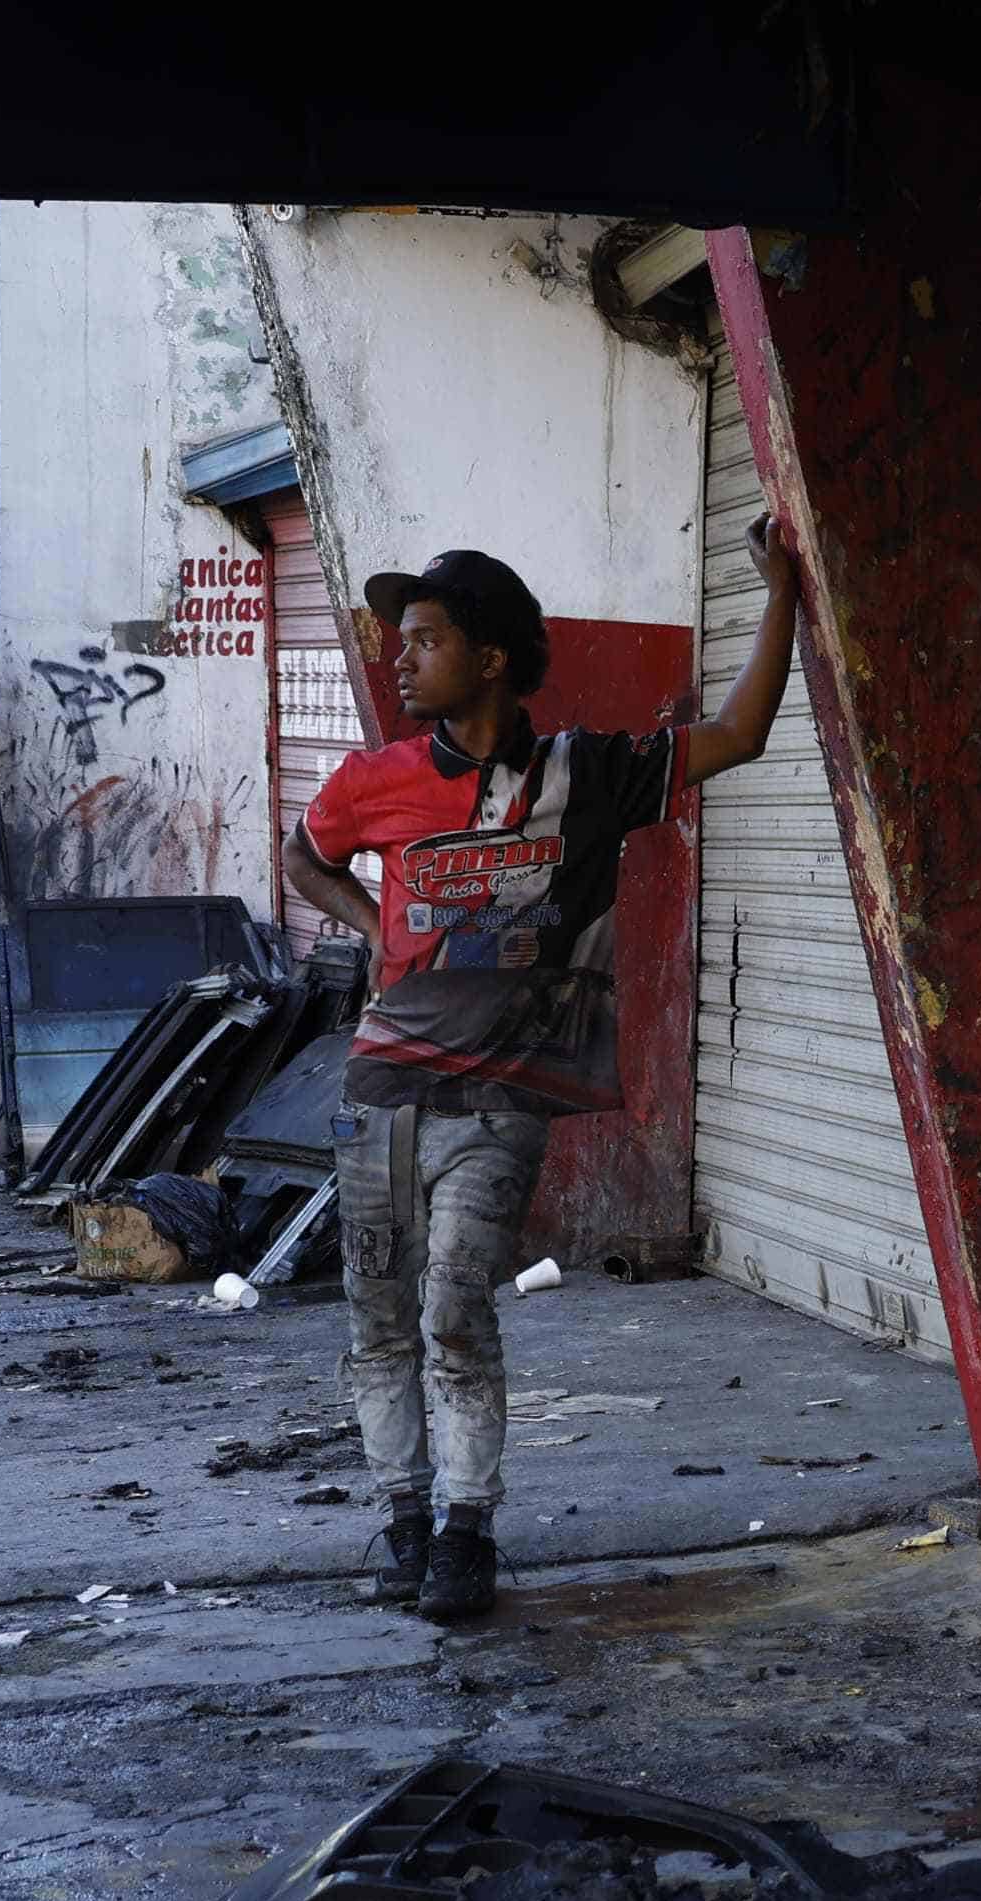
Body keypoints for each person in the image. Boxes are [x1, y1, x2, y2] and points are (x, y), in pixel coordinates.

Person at [279, 526, 803, 1624]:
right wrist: (372, 924)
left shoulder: (587, 775)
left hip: (501, 1104)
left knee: (454, 1307)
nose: (401, 660)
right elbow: (305, 855)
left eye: (424, 640)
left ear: (494, 659)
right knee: (376, 1320)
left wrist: (784, 594)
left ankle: (467, 1532)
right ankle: (403, 1522)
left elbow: (742, 733)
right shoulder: (374, 780)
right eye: (398, 642)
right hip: (380, 1097)